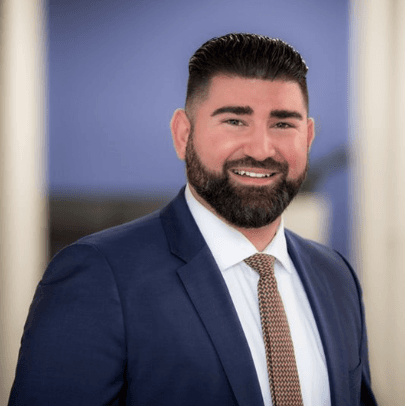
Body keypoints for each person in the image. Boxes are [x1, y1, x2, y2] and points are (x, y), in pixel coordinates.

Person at [9, 33, 377, 406]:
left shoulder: (336, 276)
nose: (261, 149)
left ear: (308, 137)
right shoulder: (99, 278)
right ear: (183, 134)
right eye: (235, 120)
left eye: (283, 124)